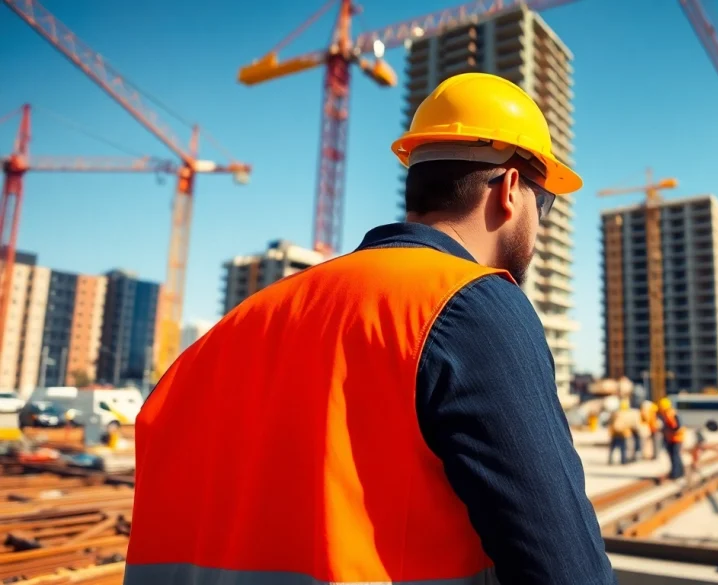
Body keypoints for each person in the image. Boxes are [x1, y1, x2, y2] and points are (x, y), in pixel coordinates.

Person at [124, 72, 616, 585]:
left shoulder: (227, 333)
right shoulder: (471, 304)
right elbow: (566, 570)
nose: (543, 221)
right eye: (547, 203)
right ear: (511, 190)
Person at [657, 397, 685, 479]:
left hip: (675, 439)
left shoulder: (669, 414)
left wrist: (665, 429)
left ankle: (676, 474)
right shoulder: (670, 412)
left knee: (674, 456)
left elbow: (675, 427)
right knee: (676, 456)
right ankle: (680, 472)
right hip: (674, 438)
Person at [607, 400, 633, 465]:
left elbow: (610, 422)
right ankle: (623, 461)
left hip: (615, 433)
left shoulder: (615, 413)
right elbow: (629, 424)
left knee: (613, 448)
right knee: (623, 448)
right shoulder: (627, 414)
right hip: (623, 433)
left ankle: (610, 460)